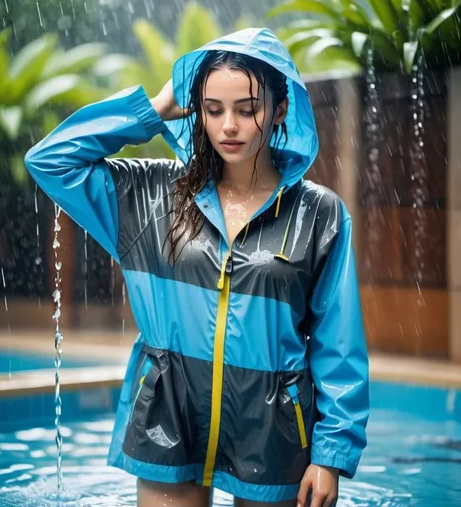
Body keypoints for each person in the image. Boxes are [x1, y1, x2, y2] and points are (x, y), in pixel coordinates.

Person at [25, 27, 369, 507]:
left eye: (247, 109)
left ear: (280, 109)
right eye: (213, 109)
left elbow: (339, 344)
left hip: (274, 435)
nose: (229, 125)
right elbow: (50, 161)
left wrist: (330, 455)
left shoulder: (319, 214)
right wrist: (153, 110)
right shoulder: (148, 197)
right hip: (166, 421)